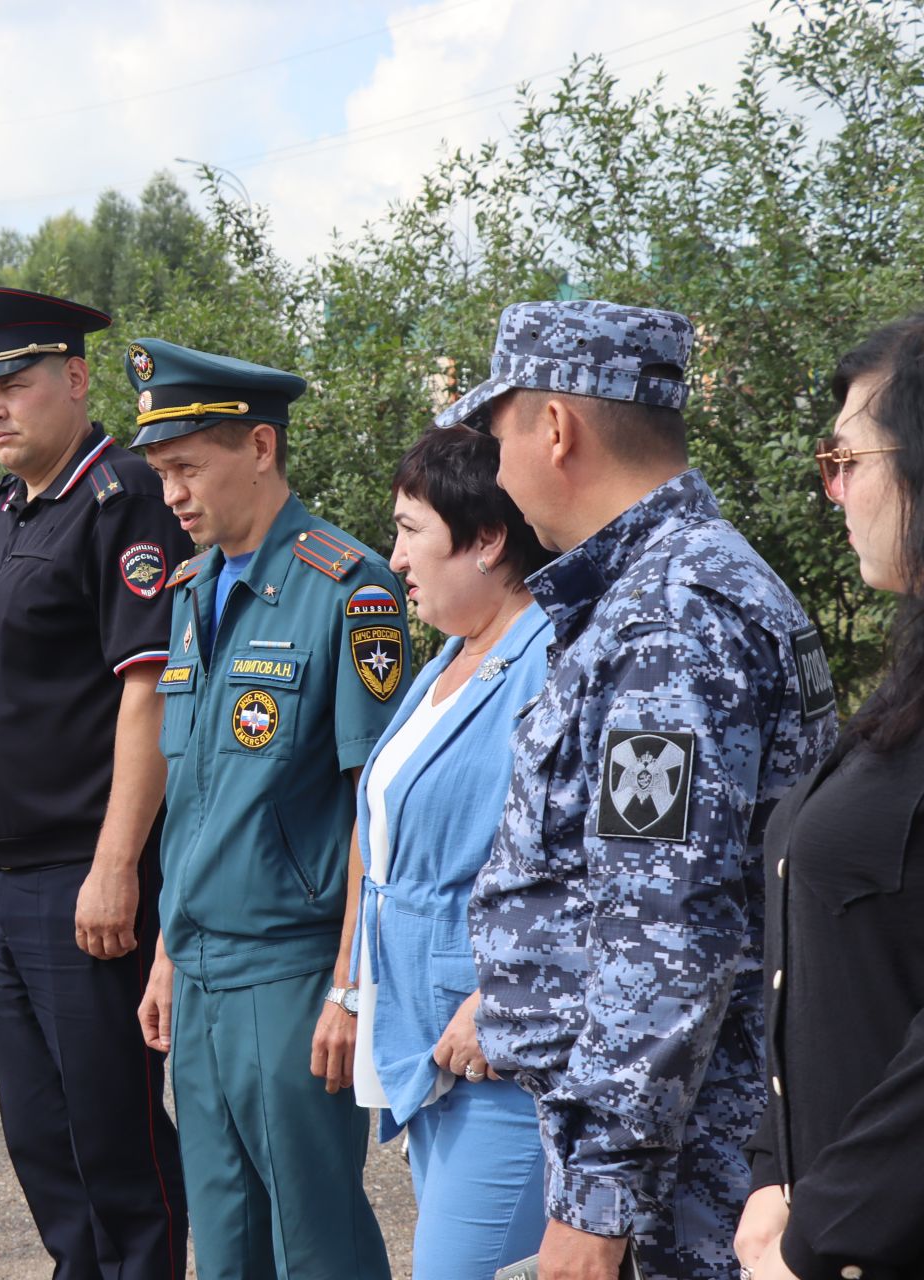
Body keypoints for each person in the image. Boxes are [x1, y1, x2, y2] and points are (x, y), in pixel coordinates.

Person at [448, 300, 838, 1280]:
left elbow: (665, 930)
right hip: (668, 1154)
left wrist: (599, 1198)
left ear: (553, 426)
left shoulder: (675, 611)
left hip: (686, 1181)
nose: (493, 472)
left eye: (496, 435)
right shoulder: (646, 592)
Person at [130, 338, 409, 1280]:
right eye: (162, 472)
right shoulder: (193, 591)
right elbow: (195, 799)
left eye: (185, 467)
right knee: (229, 1239)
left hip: (291, 974)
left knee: (314, 1238)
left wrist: (348, 984)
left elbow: (378, 808)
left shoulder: (349, 587)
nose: (171, 493)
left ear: (259, 447)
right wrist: (168, 952)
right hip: (202, 971)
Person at [0, 286, 190, 1280]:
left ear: (77, 379)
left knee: (114, 1133)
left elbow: (148, 694)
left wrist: (116, 865)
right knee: (40, 1133)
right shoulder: (4, 509)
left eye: (15, 382)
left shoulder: (120, 500)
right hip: (8, 875)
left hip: (83, 877)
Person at [733, 296, 924, 1280]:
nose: (831, 493)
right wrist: (771, 1166)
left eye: (848, 462)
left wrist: (824, 1230)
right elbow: (829, 970)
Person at [351, 426, 555, 1274]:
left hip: (494, 1056)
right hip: (424, 1046)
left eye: (409, 530)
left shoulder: (550, 659)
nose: (393, 557)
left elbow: (573, 861)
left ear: (485, 540)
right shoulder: (455, 654)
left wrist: (497, 993)